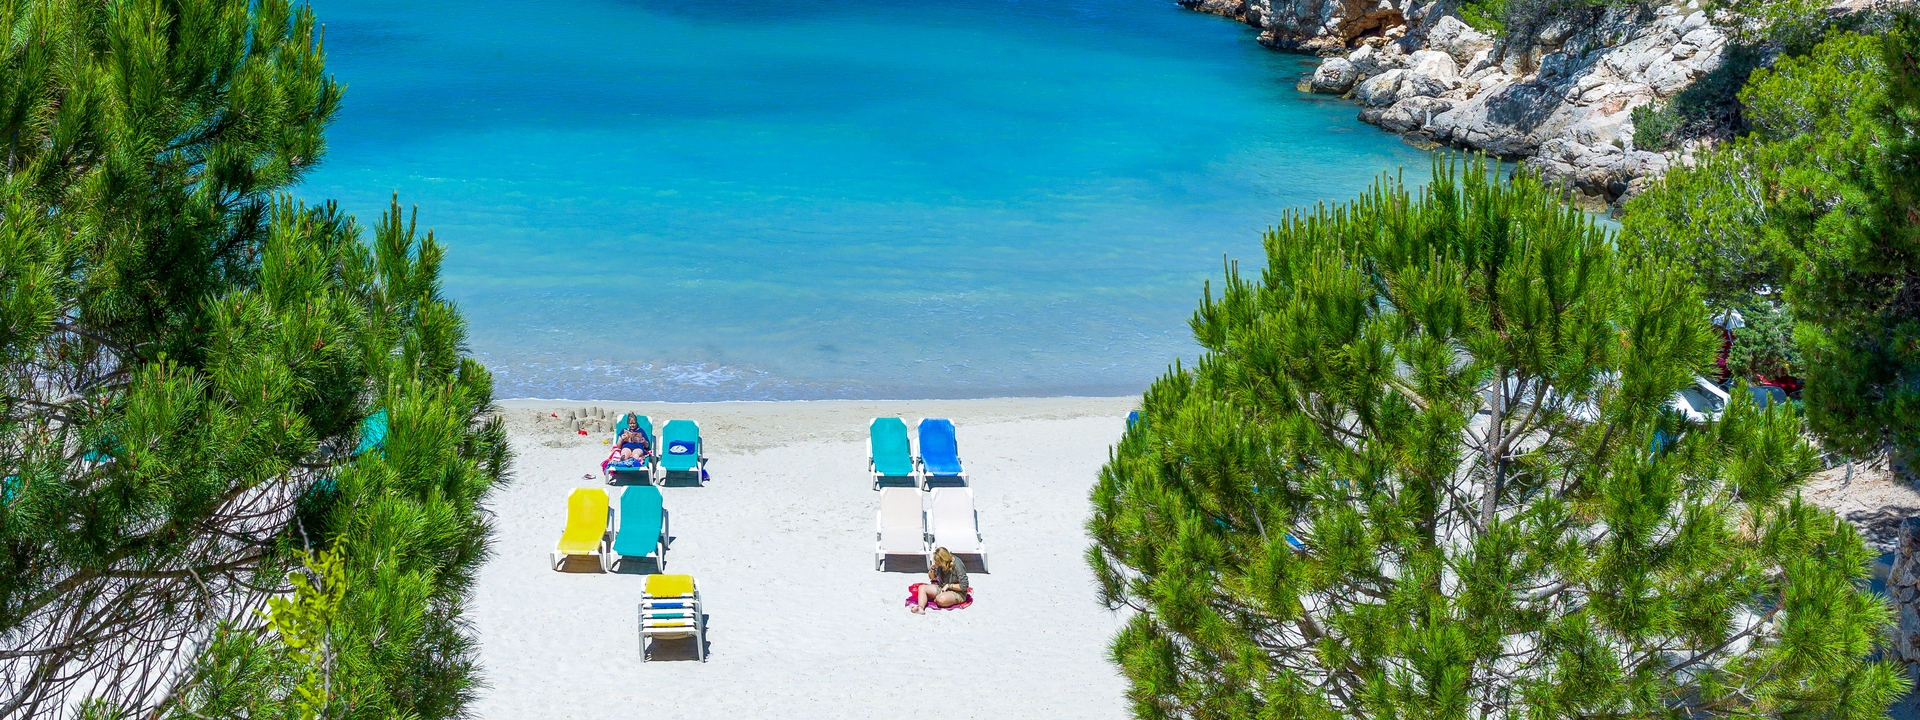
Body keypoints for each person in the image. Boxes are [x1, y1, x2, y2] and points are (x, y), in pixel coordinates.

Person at [910, 547, 969, 614]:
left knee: (940, 600)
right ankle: (920, 608)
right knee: (922, 588)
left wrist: (949, 586)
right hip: (942, 587)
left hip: (957, 592)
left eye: (939, 563)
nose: (938, 564)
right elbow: (931, 577)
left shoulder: (957, 565)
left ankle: (939, 598)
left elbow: (964, 586)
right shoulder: (939, 564)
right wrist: (932, 568)